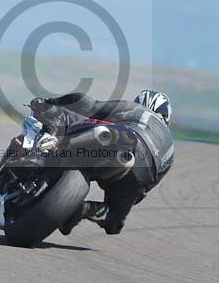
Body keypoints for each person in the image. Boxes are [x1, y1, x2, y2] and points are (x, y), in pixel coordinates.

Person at [30, 89, 174, 235]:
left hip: (119, 140)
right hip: (141, 172)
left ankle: (48, 142)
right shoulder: (170, 149)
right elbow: (144, 190)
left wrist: (50, 102)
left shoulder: (138, 110)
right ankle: (82, 210)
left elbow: (87, 104)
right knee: (114, 223)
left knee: (60, 113)